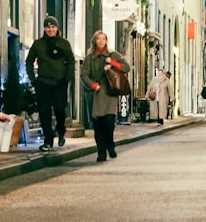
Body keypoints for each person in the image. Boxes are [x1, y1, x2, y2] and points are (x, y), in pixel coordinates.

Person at [25, 16, 75, 152]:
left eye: (53, 27)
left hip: (60, 82)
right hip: (43, 82)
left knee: (60, 108)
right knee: (44, 111)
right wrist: (33, 79)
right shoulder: (38, 44)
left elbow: (71, 60)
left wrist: (67, 77)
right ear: (44, 28)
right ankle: (48, 140)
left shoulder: (64, 43)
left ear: (57, 28)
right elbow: (29, 62)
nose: (50, 29)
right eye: (48, 27)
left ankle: (61, 130)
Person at [81, 30, 131, 161]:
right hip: (95, 94)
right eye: (98, 39)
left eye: (103, 39)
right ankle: (101, 152)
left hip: (110, 93)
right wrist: (92, 85)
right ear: (94, 41)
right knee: (98, 127)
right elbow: (83, 75)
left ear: (106, 41)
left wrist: (112, 63)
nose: (101, 41)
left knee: (109, 123)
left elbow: (126, 67)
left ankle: (110, 145)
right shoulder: (89, 58)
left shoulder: (112, 55)